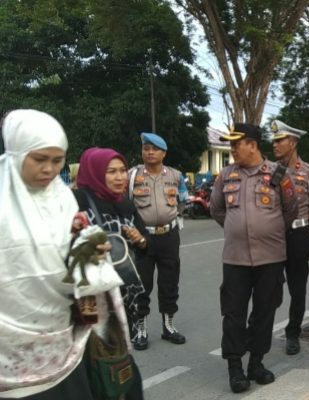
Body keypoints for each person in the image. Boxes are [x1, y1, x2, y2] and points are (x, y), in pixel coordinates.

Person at [0, 109, 143, 399]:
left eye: (57, 160)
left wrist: (91, 249)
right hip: (10, 356)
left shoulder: (62, 198)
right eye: (39, 159)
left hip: (67, 345)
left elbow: (74, 248)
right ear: (16, 152)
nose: (49, 170)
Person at [210, 123, 298, 394]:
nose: (233, 149)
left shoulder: (279, 174)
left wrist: (265, 231)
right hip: (235, 258)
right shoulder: (225, 175)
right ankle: (235, 368)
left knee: (264, 312)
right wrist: (239, 231)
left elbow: (290, 211)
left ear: (253, 144)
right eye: (231, 144)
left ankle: (256, 363)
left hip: (270, 257)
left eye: (237, 144)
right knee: (233, 314)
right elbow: (217, 210)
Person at [73, 147, 148, 329]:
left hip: (123, 294)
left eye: (123, 171)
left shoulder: (125, 203)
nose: (120, 177)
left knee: (119, 348)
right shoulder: (76, 201)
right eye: (111, 172)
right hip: (90, 295)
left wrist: (140, 240)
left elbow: (145, 243)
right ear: (95, 173)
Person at [128, 132, 188, 350]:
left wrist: (169, 218)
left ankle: (169, 326)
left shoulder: (175, 176)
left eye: (154, 149)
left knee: (169, 282)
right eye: (146, 148)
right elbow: (126, 205)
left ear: (163, 153)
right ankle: (141, 328)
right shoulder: (132, 176)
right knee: (142, 284)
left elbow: (182, 201)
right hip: (143, 237)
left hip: (169, 236)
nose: (149, 152)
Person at [270, 120, 309, 356]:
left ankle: (293, 333)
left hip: (299, 236)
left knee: (298, 290)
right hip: (273, 237)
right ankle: (260, 331)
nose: (275, 145)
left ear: (293, 142)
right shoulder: (268, 170)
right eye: (273, 141)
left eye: (279, 140)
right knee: (269, 288)